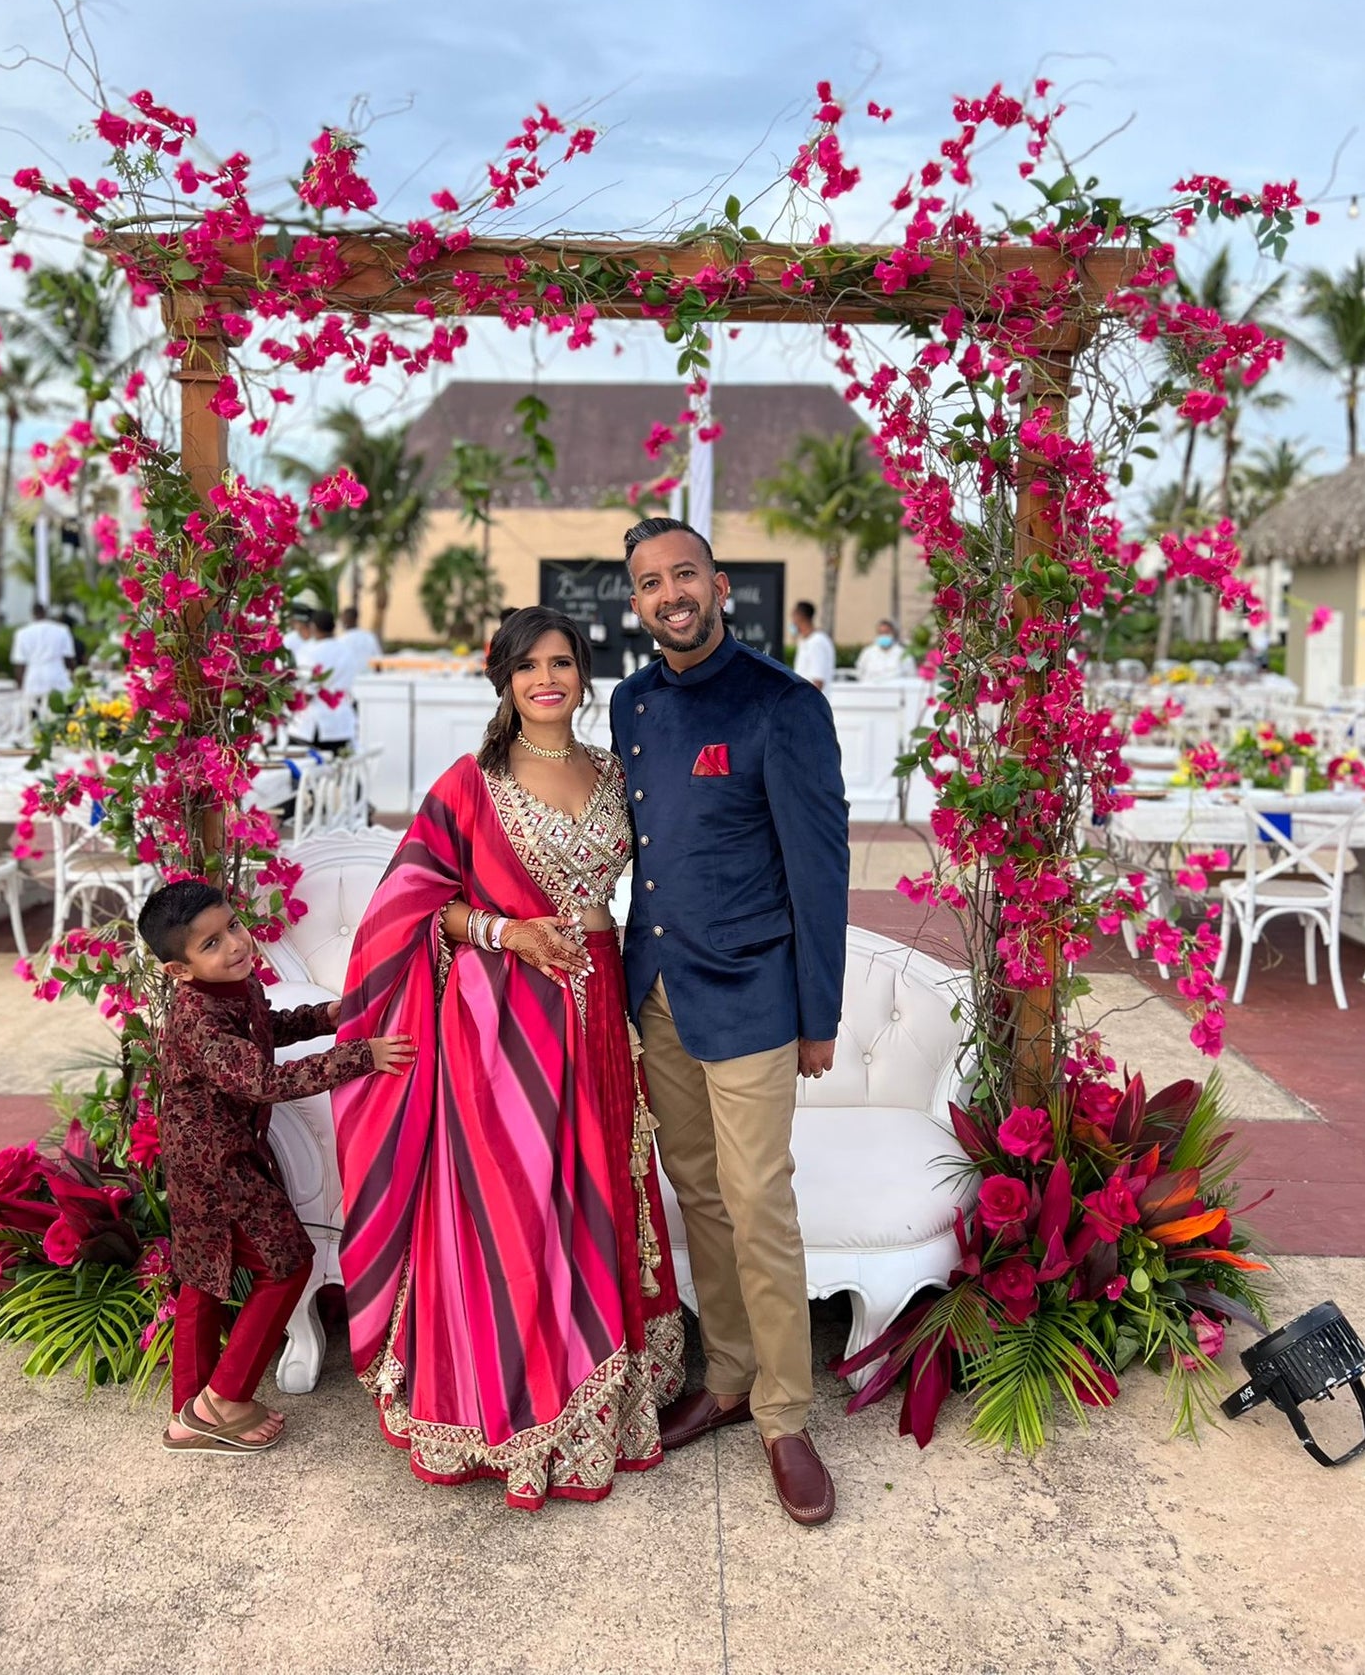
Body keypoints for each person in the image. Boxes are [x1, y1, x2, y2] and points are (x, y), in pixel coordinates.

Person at [334, 605, 684, 1511]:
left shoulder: (617, 772)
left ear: (583, 672)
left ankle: (594, 1397)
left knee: (596, 1192)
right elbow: (408, 906)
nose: (546, 678)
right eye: (527, 664)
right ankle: (504, 1399)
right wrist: (504, 930)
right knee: (514, 1202)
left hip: (600, 1009)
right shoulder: (469, 782)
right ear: (503, 677)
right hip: (501, 1023)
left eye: (562, 661)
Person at [612, 519, 850, 1527]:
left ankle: (786, 1415)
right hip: (656, 985)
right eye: (648, 582)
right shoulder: (628, 703)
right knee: (696, 1190)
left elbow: (819, 867)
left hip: (753, 989)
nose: (669, 593)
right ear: (636, 602)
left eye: (683, 574)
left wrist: (817, 1012)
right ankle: (729, 1374)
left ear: (716, 582)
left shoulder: (782, 704)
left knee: (757, 1200)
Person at [140, 879, 410, 1454]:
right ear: (178, 972)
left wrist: (330, 1015)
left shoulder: (236, 988)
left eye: (232, 927)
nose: (234, 945)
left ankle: (188, 1413)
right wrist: (361, 1056)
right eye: (210, 944)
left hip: (210, 1155)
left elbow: (268, 1030)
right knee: (286, 1263)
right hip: (219, 1167)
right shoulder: (199, 1020)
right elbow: (264, 1081)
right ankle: (226, 1399)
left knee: (199, 1276)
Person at [288, 609, 360, 751]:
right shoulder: (347, 651)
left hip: (312, 727)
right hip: (342, 724)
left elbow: (307, 691)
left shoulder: (308, 652)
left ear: (313, 627)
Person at [9, 602, 74, 700]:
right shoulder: (62, 630)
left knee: (34, 710)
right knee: (60, 709)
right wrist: (73, 676)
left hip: (34, 678)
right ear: (45, 612)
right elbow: (69, 659)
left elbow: (19, 663)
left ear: (32, 614)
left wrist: (20, 685)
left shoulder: (21, 633)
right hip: (57, 675)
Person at [790, 599, 836, 691]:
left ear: (799, 617)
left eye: (793, 617)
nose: (792, 622)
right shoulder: (805, 641)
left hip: (812, 703)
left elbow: (818, 681)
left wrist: (806, 703)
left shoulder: (817, 642)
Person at [854, 617, 917, 682]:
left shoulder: (902, 653)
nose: (884, 635)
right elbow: (860, 672)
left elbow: (911, 675)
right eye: (881, 633)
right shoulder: (868, 652)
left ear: (893, 634)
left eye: (886, 633)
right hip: (872, 689)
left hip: (895, 690)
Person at [338, 605, 383, 670]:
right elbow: (378, 659)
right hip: (370, 677)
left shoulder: (341, 640)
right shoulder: (369, 636)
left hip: (351, 677)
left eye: (343, 619)